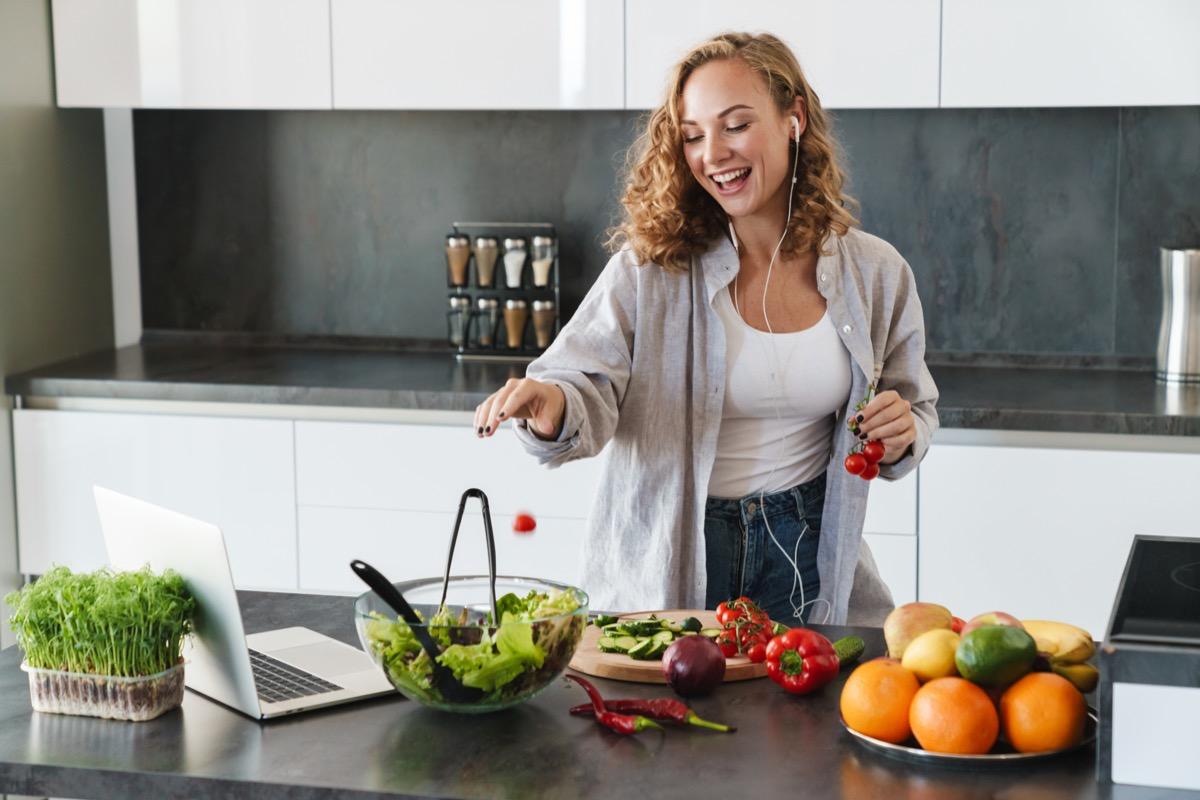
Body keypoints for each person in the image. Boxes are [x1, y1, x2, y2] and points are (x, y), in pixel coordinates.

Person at [472, 32, 938, 626]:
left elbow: (913, 405)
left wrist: (901, 430)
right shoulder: (649, 271)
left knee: (810, 719)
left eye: (735, 126)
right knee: (677, 718)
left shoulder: (875, 273)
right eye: (693, 135)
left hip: (809, 557)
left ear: (793, 118)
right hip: (675, 564)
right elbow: (583, 384)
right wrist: (551, 403)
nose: (712, 153)